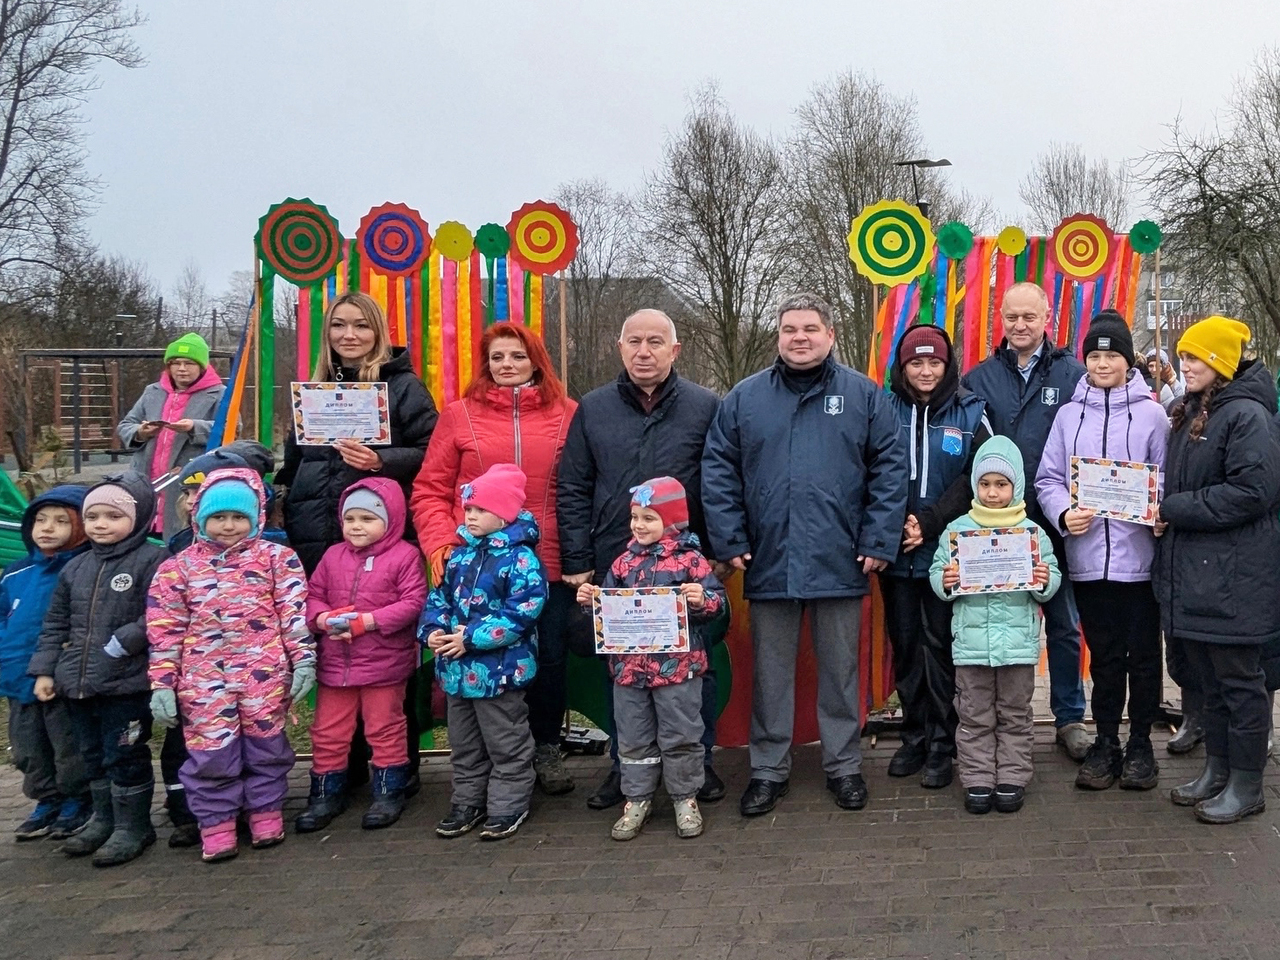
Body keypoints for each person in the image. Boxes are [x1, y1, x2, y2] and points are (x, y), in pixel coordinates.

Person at [702, 292, 908, 816]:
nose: (800, 337)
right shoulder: (745, 399)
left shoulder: (864, 397)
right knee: (771, 673)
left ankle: (843, 766)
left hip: (842, 557)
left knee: (840, 671)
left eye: (810, 328)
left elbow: (889, 469)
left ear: (830, 335)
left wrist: (877, 539)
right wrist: (728, 538)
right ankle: (768, 770)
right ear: (778, 335)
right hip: (768, 558)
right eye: (790, 328)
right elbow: (719, 469)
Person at [557, 309, 724, 810]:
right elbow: (572, 484)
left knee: (694, 670)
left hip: (685, 566)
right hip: (617, 559)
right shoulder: (593, 407)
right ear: (620, 346)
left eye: (656, 342)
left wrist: (716, 555)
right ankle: (625, 768)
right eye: (634, 341)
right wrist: (578, 557)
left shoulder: (704, 405)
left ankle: (698, 764)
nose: (644, 351)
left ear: (675, 351)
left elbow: (719, 483)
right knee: (624, 672)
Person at [275, 291, 438, 794]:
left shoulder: (404, 387)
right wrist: (284, 495)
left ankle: (395, 766)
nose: (350, 335)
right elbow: (296, 457)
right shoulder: (315, 389)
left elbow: (431, 452)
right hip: (317, 537)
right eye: (339, 326)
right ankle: (339, 768)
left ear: (378, 332)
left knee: (385, 655)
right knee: (336, 654)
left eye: (361, 326)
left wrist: (382, 462)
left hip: (382, 540)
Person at [412, 321, 578, 797]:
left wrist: (579, 554)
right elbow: (429, 489)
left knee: (547, 661)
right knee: (479, 656)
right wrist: (443, 544)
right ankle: (483, 761)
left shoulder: (568, 414)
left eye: (518, 357)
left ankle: (543, 747)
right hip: (473, 568)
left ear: (536, 361)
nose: (507, 365)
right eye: (498, 357)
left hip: (545, 563)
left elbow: (581, 487)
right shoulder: (459, 416)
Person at [146, 468, 314, 862]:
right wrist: (162, 684)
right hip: (203, 681)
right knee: (212, 754)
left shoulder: (278, 560)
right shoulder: (178, 568)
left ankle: (265, 811)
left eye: (239, 517)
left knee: (266, 749)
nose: (229, 526)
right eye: (218, 517)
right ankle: (217, 822)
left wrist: (303, 660)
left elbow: (293, 615)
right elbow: (164, 631)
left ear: (256, 517)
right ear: (199, 517)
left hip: (264, 677)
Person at [1036, 312, 1170, 791]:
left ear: (1128, 360)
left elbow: (1167, 478)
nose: (1102, 362)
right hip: (1089, 561)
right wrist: (1062, 513)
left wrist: (1160, 512)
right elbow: (1048, 478)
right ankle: (1106, 740)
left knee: (1143, 658)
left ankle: (1141, 744)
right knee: (1106, 656)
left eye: (1112, 354)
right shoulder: (1069, 416)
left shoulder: (1153, 414)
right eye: (1094, 355)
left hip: (1140, 562)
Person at [1155, 317, 1280, 824]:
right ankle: (1217, 771)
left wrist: (1174, 509)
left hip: (1236, 576)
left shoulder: (1247, 416)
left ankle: (1247, 785)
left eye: (1197, 357)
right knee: (1210, 681)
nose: (1185, 365)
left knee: (1240, 683)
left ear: (1223, 362)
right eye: (1184, 356)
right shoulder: (1195, 410)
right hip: (1203, 574)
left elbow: (1254, 492)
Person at [962, 281, 1091, 760]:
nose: (1020, 326)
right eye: (1011, 317)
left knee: (1062, 622)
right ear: (1000, 317)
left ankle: (1070, 717)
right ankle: (989, 721)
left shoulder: (1074, 375)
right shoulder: (978, 379)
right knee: (994, 627)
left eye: (1029, 318)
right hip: (994, 529)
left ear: (1047, 317)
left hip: (1054, 523)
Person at [574, 477, 727, 841]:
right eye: (635, 517)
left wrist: (701, 600)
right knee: (633, 738)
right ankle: (637, 798)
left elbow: (718, 604)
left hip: (679, 671)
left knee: (682, 734)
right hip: (628, 673)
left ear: (672, 522)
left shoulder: (692, 562)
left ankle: (685, 797)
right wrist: (591, 601)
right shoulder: (623, 564)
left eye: (649, 518)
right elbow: (607, 613)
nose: (638, 525)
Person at [28, 473, 169, 867]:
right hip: (77, 682)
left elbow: (162, 612)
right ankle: (103, 817)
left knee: (124, 753)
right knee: (92, 755)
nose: (100, 525)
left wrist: (130, 638)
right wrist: (45, 670)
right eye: (92, 517)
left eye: (112, 516)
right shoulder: (76, 567)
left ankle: (133, 826)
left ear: (139, 518)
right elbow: (55, 623)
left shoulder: (153, 560)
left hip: (126, 683)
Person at [882, 325, 990, 790]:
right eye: (916, 363)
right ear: (902, 367)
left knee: (942, 648)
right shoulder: (881, 410)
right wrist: (894, 524)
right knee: (906, 648)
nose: (925, 371)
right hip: (895, 553)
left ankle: (945, 744)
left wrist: (929, 521)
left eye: (934, 363)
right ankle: (914, 736)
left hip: (946, 551)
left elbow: (979, 475)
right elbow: (869, 468)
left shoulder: (971, 411)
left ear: (948, 367)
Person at [930, 436, 1061, 815]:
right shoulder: (958, 530)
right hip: (971, 648)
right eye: (985, 484)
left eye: (1001, 485)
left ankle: (1012, 777)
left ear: (1015, 485)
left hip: (1017, 648)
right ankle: (977, 779)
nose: (991, 493)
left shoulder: (1032, 533)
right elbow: (938, 575)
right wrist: (948, 580)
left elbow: (1050, 581)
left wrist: (1041, 579)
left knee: (1015, 715)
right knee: (973, 716)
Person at [421, 464, 547, 841]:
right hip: (457, 673)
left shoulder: (521, 561)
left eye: (479, 510)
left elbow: (523, 612)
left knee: (505, 741)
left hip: (499, 672)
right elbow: (438, 598)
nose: (470, 516)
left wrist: (471, 638)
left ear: (504, 513)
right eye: (468, 509)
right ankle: (468, 800)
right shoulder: (459, 557)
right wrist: (434, 630)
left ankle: (508, 803)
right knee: (464, 743)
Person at [298, 478, 429, 833]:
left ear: (391, 519)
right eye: (350, 518)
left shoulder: (404, 556)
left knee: (385, 728)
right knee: (327, 731)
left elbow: (414, 603)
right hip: (335, 663)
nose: (357, 526)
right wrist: (323, 618)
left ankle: (389, 790)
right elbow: (313, 595)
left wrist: (368, 622)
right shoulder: (332, 555)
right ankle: (325, 793)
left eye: (368, 519)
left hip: (383, 664)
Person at [1, 486, 90, 841]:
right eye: (40, 520)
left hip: (60, 680)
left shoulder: (82, 569)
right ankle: (46, 799)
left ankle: (76, 799)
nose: (47, 529)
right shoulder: (15, 573)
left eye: (60, 521)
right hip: (16, 678)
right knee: (28, 749)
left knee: (67, 745)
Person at [117, 333, 226, 539]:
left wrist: (194, 427)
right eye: (175, 363)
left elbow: (231, 430)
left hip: (186, 481)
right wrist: (140, 432)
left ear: (202, 366)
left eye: (188, 363)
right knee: (143, 536)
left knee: (181, 536)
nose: (181, 369)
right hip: (147, 479)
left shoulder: (219, 394)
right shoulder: (153, 391)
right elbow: (126, 425)